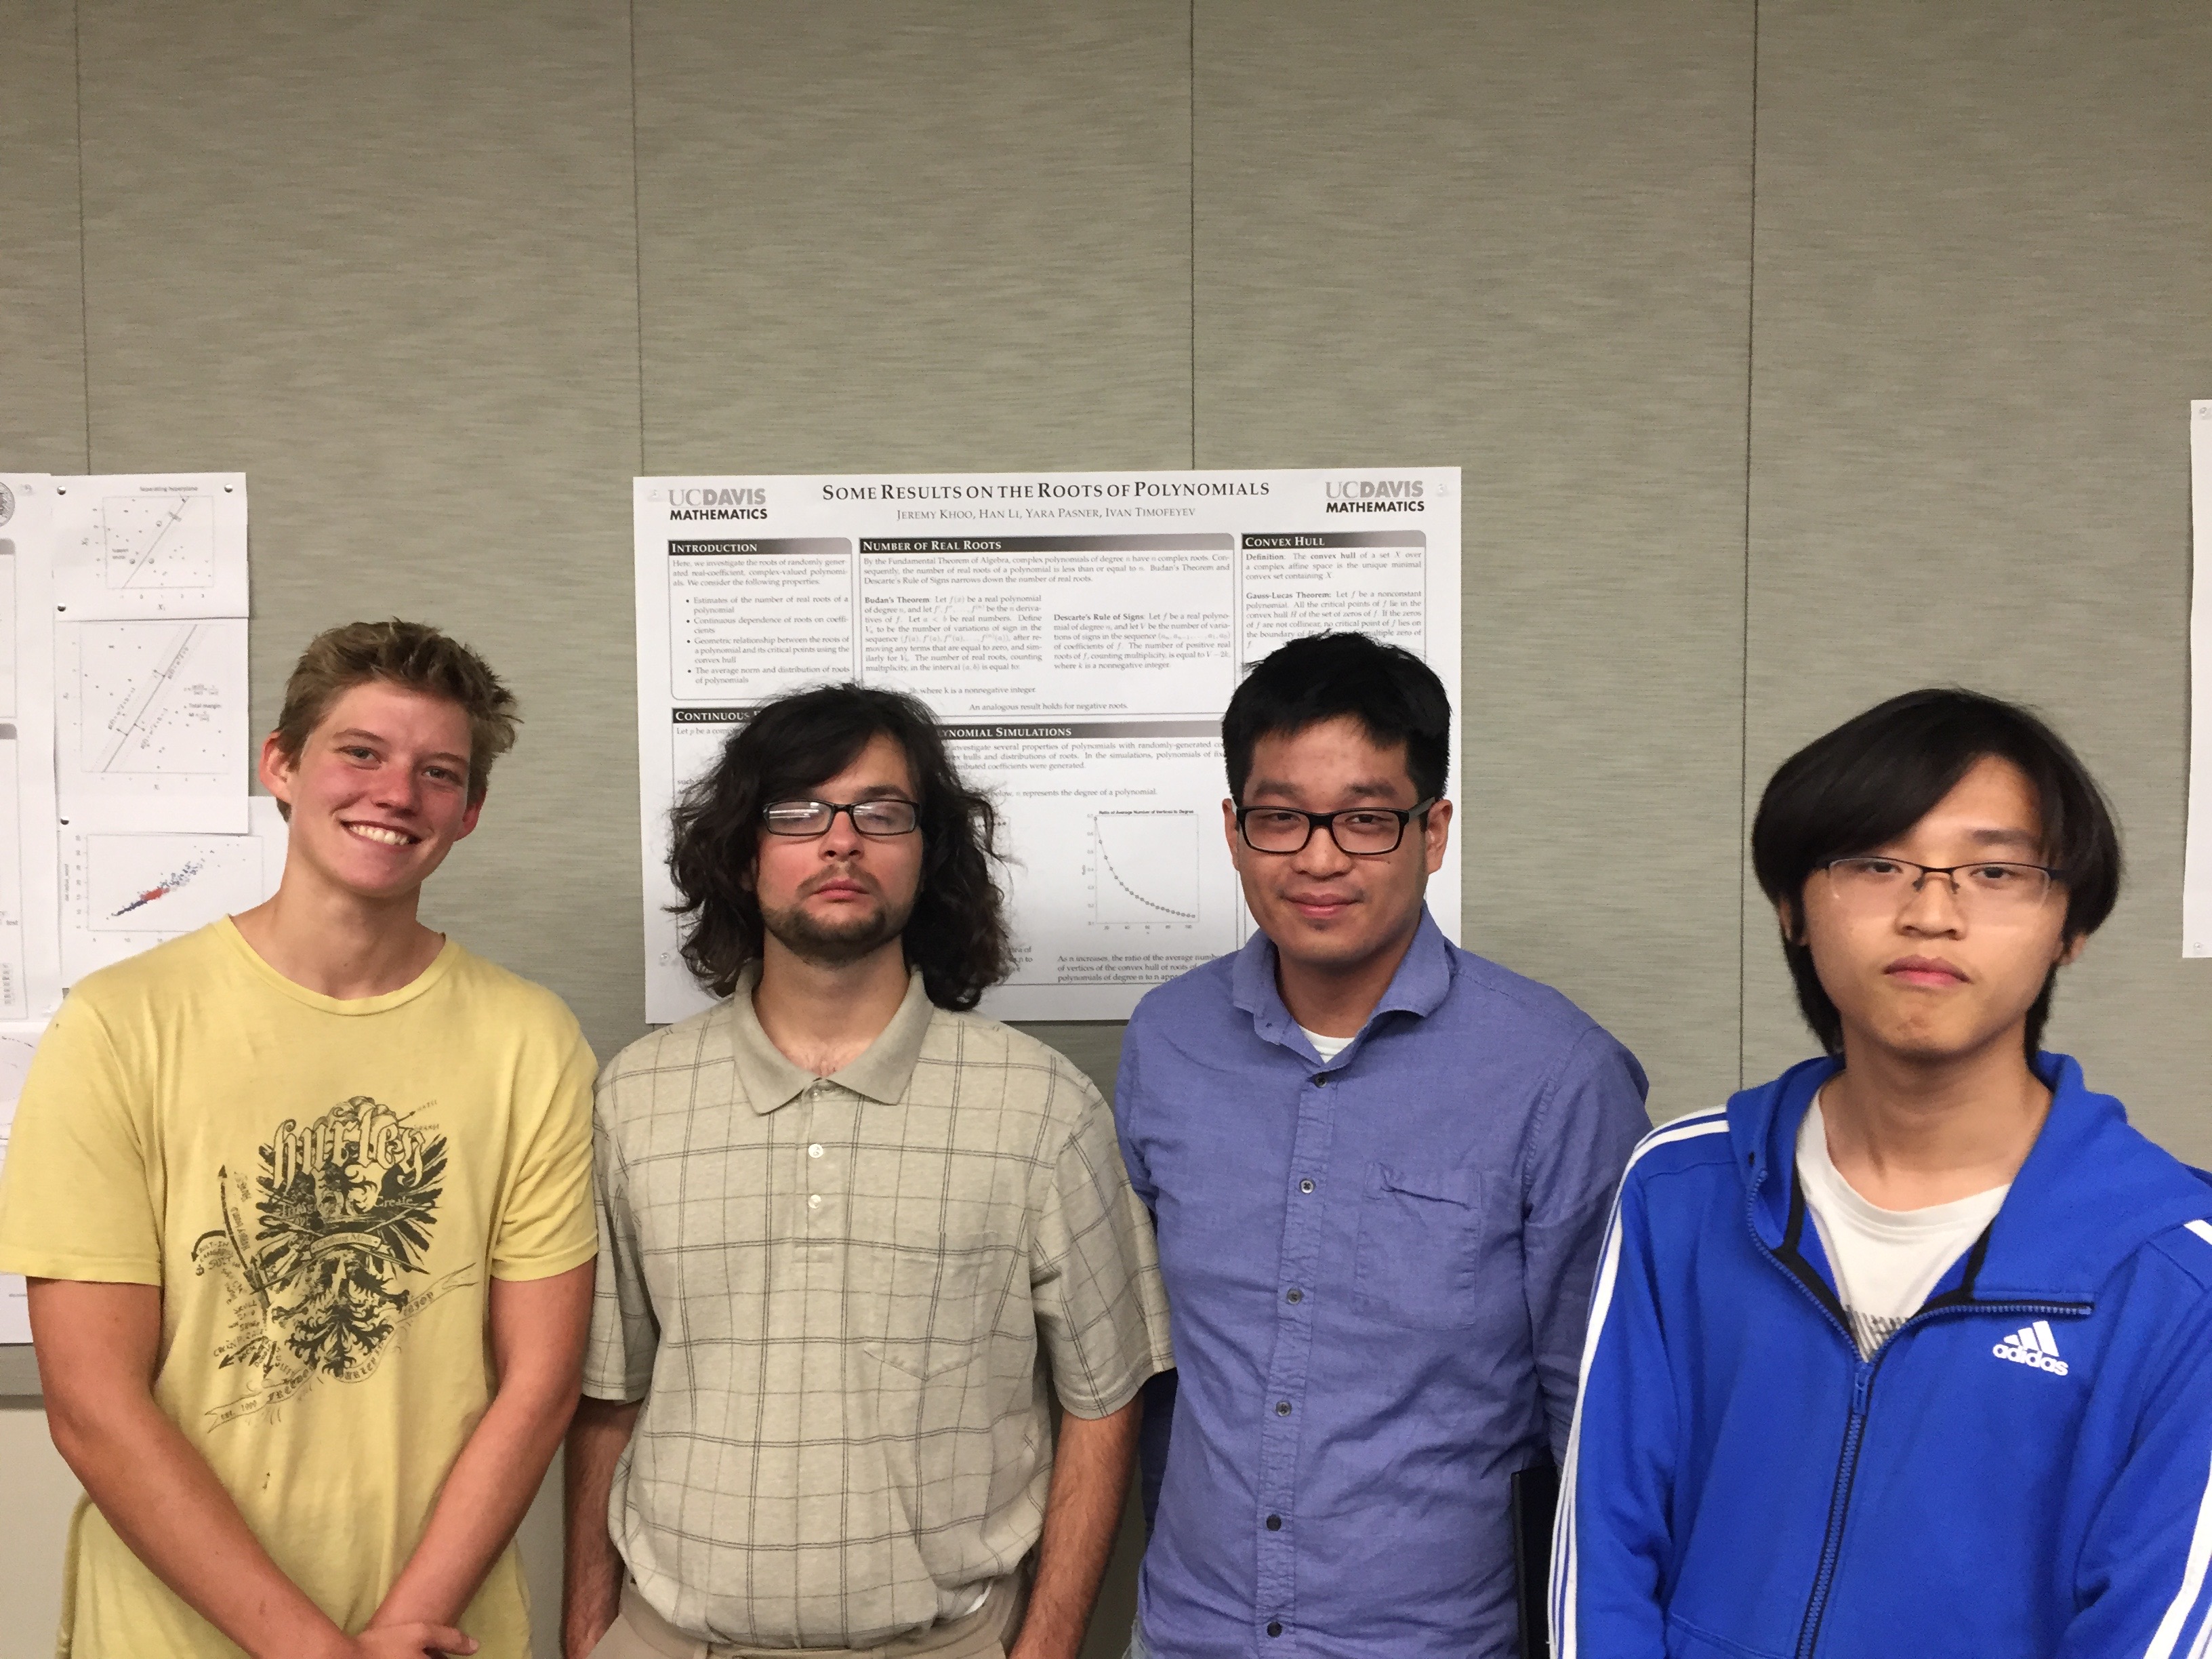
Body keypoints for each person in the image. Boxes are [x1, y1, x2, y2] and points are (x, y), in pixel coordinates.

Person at [1554, 688, 2212, 1656]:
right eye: (1876, 864)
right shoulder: (1683, 1188)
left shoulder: (2177, 1268)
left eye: (1995, 871)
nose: (1931, 912)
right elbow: (1605, 1553)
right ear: (1793, 908)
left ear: (2070, 926)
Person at [0, 619, 599, 1659]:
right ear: (280, 765)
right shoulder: (119, 1024)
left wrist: (404, 1624)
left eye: (438, 772)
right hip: (167, 1637)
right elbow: (93, 1404)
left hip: (433, 1632)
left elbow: (540, 1384)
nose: (396, 793)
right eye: (361, 752)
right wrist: (317, 1651)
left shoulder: (529, 1040)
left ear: (469, 811)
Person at [563, 683, 1172, 1659]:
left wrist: (1048, 1646)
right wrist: (586, 1631)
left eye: (882, 813)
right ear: (743, 852)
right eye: (798, 812)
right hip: (669, 1637)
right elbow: (609, 1391)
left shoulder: (1042, 1107)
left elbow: (1104, 1402)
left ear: (930, 854)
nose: (841, 841)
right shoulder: (636, 1099)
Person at [1114, 630, 1650, 1659]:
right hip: (1188, 1630)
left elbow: (1600, 1419)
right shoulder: (1168, 1041)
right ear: (1235, 831)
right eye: (1281, 818)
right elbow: (1150, 1365)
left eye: (1365, 820)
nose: (1319, 858)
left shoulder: (1558, 1074)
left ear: (1432, 830)